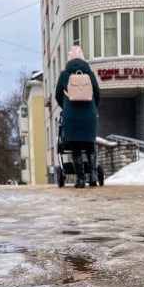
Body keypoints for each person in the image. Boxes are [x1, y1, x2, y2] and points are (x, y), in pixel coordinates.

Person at [55, 46, 102, 188]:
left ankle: (80, 180)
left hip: (72, 117)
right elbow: (98, 95)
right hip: (89, 116)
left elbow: (58, 96)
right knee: (89, 146)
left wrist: (67, 108)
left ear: (69, 59)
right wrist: (92, 108)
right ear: (83, 59)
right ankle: (93, 177)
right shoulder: (90, 74)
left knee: (75, 147)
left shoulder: (64, 75)